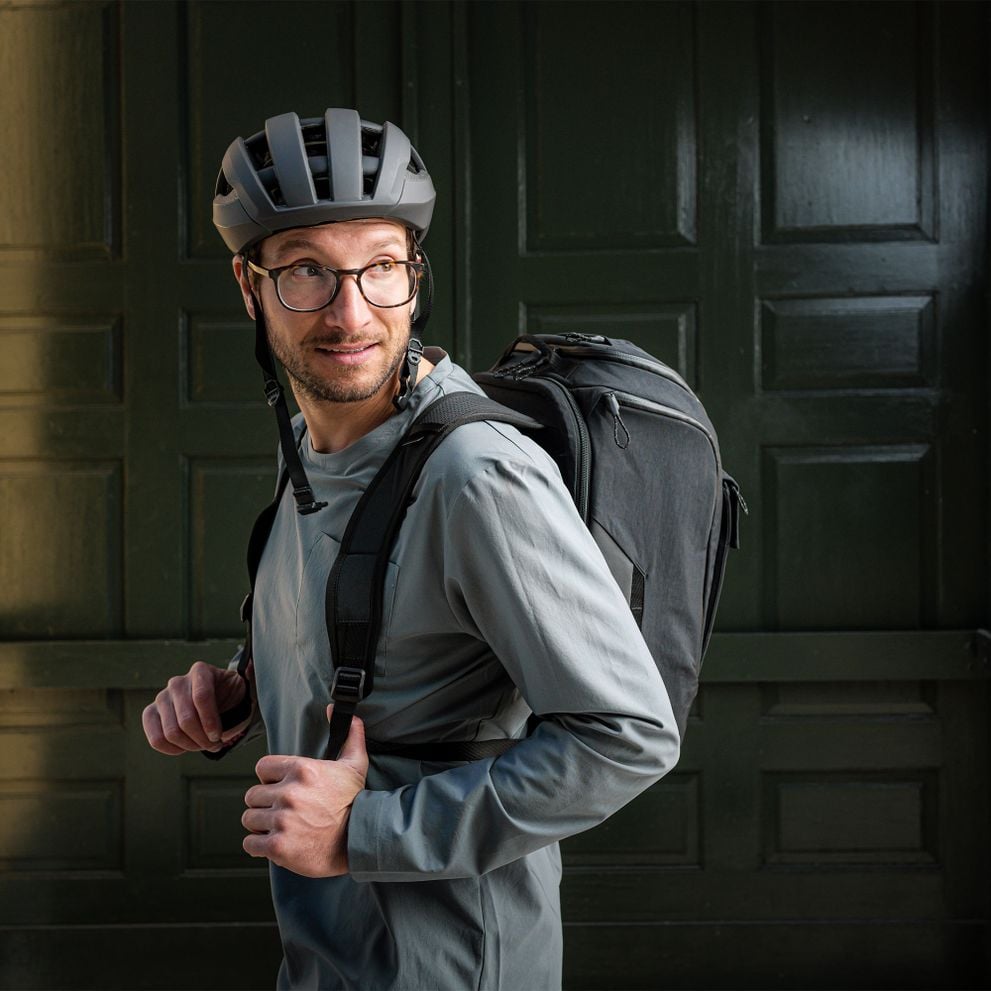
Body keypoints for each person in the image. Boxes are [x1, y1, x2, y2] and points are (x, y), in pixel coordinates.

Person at [142, 108, 680, 991]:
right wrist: (240, 685)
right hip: (331, 955)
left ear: (413, 274)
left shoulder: (475, 475)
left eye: (381, 267)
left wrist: (363, 834)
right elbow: (384, 629)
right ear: (250, 287)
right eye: (309, 270)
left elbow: (626, 735)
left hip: (451, 965)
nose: (351, 312)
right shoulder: (318, 453)